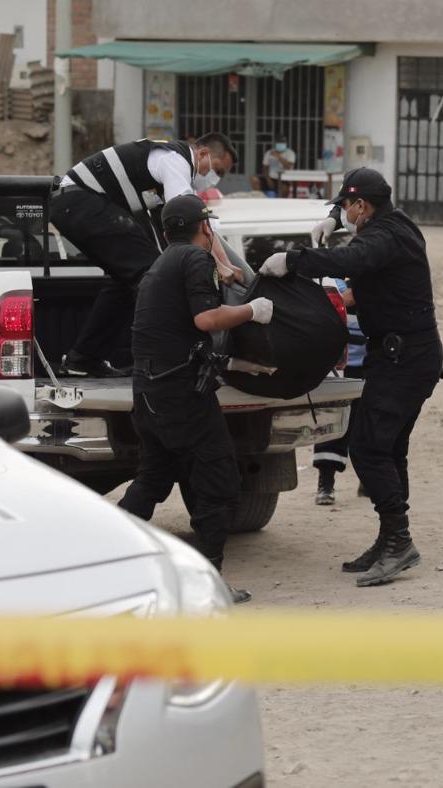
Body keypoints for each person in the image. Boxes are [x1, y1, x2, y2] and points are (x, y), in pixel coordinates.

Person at [260, 167, 441, 587]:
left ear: (362, 205)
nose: (341, 213)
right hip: (399, 355)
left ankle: (399, 540)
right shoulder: (388, 228)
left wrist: (294, 260)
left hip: (406, 359)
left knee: (369, 447)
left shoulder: (388, 234)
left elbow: (355, 259)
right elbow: (362, 270)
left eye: (344, 206)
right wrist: (330, 222)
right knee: (389, 449)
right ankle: (390, 538)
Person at [116, 195, 274, 603]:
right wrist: (253, 310)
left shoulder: (162, 263)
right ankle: (208, 587)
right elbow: (206, 320)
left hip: (149, 394)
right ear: (205, 227)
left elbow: (171, 330)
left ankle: (115, 566)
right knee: (219, 483)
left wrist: (235, 361)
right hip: (180, 396)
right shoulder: (195, 260)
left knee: (151, 480)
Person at [49, 134, 243, 376]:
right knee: (153, 276)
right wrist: (220, 265)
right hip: (81, 201)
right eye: (217, 170)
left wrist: (224, 264)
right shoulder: (175, 160)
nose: (214, 179)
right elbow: (193, 223)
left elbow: (183, 234)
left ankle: (83, 359)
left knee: (124, 283)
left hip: (75, 205)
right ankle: (163, 360)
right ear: (202, 153)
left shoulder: (161, 180)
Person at [313, 219, 368, 506]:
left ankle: (367, 480)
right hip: (339, 366)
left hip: (369, 365)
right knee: (332, 425)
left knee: (367, 424)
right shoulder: (332, 283)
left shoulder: (374, 279)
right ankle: (326, 484)